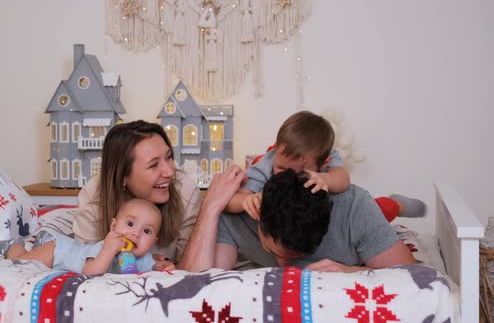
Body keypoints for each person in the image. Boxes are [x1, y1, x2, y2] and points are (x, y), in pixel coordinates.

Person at [178, 168, 415, 272]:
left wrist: (350, 271)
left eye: (295, 256)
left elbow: (410, 274)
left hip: (368, 210)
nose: (284, 267)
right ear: (258, 216)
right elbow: (196, 282)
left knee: (384, 207)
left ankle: (398, 203)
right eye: (272, 250)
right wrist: (210, 206)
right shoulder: (241, 214)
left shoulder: (355, 208)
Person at [226, 111, 425, 223]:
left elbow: (343, 179)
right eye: (281, 168)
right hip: (288, 216)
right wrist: (247, 200)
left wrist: (325, 180)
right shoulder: (267, 162)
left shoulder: (329, 162)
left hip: (326, 209)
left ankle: (397, 205)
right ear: (277, 150)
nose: (289, 176)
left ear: (324, 162)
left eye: (300, 173)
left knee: (372, 211)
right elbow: (231, 200)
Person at [72, 120, 202, 264]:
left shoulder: (184, 189)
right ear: (122, 176)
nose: (170, 172)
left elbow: (191, 267)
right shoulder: (93, 198)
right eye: (153, 165)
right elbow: (87, 266)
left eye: (169, 157)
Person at [2, 198, 171, 274]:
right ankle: (14, 246)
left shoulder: (145, 259)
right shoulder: (103, 247)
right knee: (23, 265)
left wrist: (163, 268)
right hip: (58, 251)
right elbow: (90, 272)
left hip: (62, 251)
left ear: (153, 242)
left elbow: (158, 271)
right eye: (130, 224)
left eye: (147, 231)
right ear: (113, 227)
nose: (136, 233)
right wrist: (109, 250)